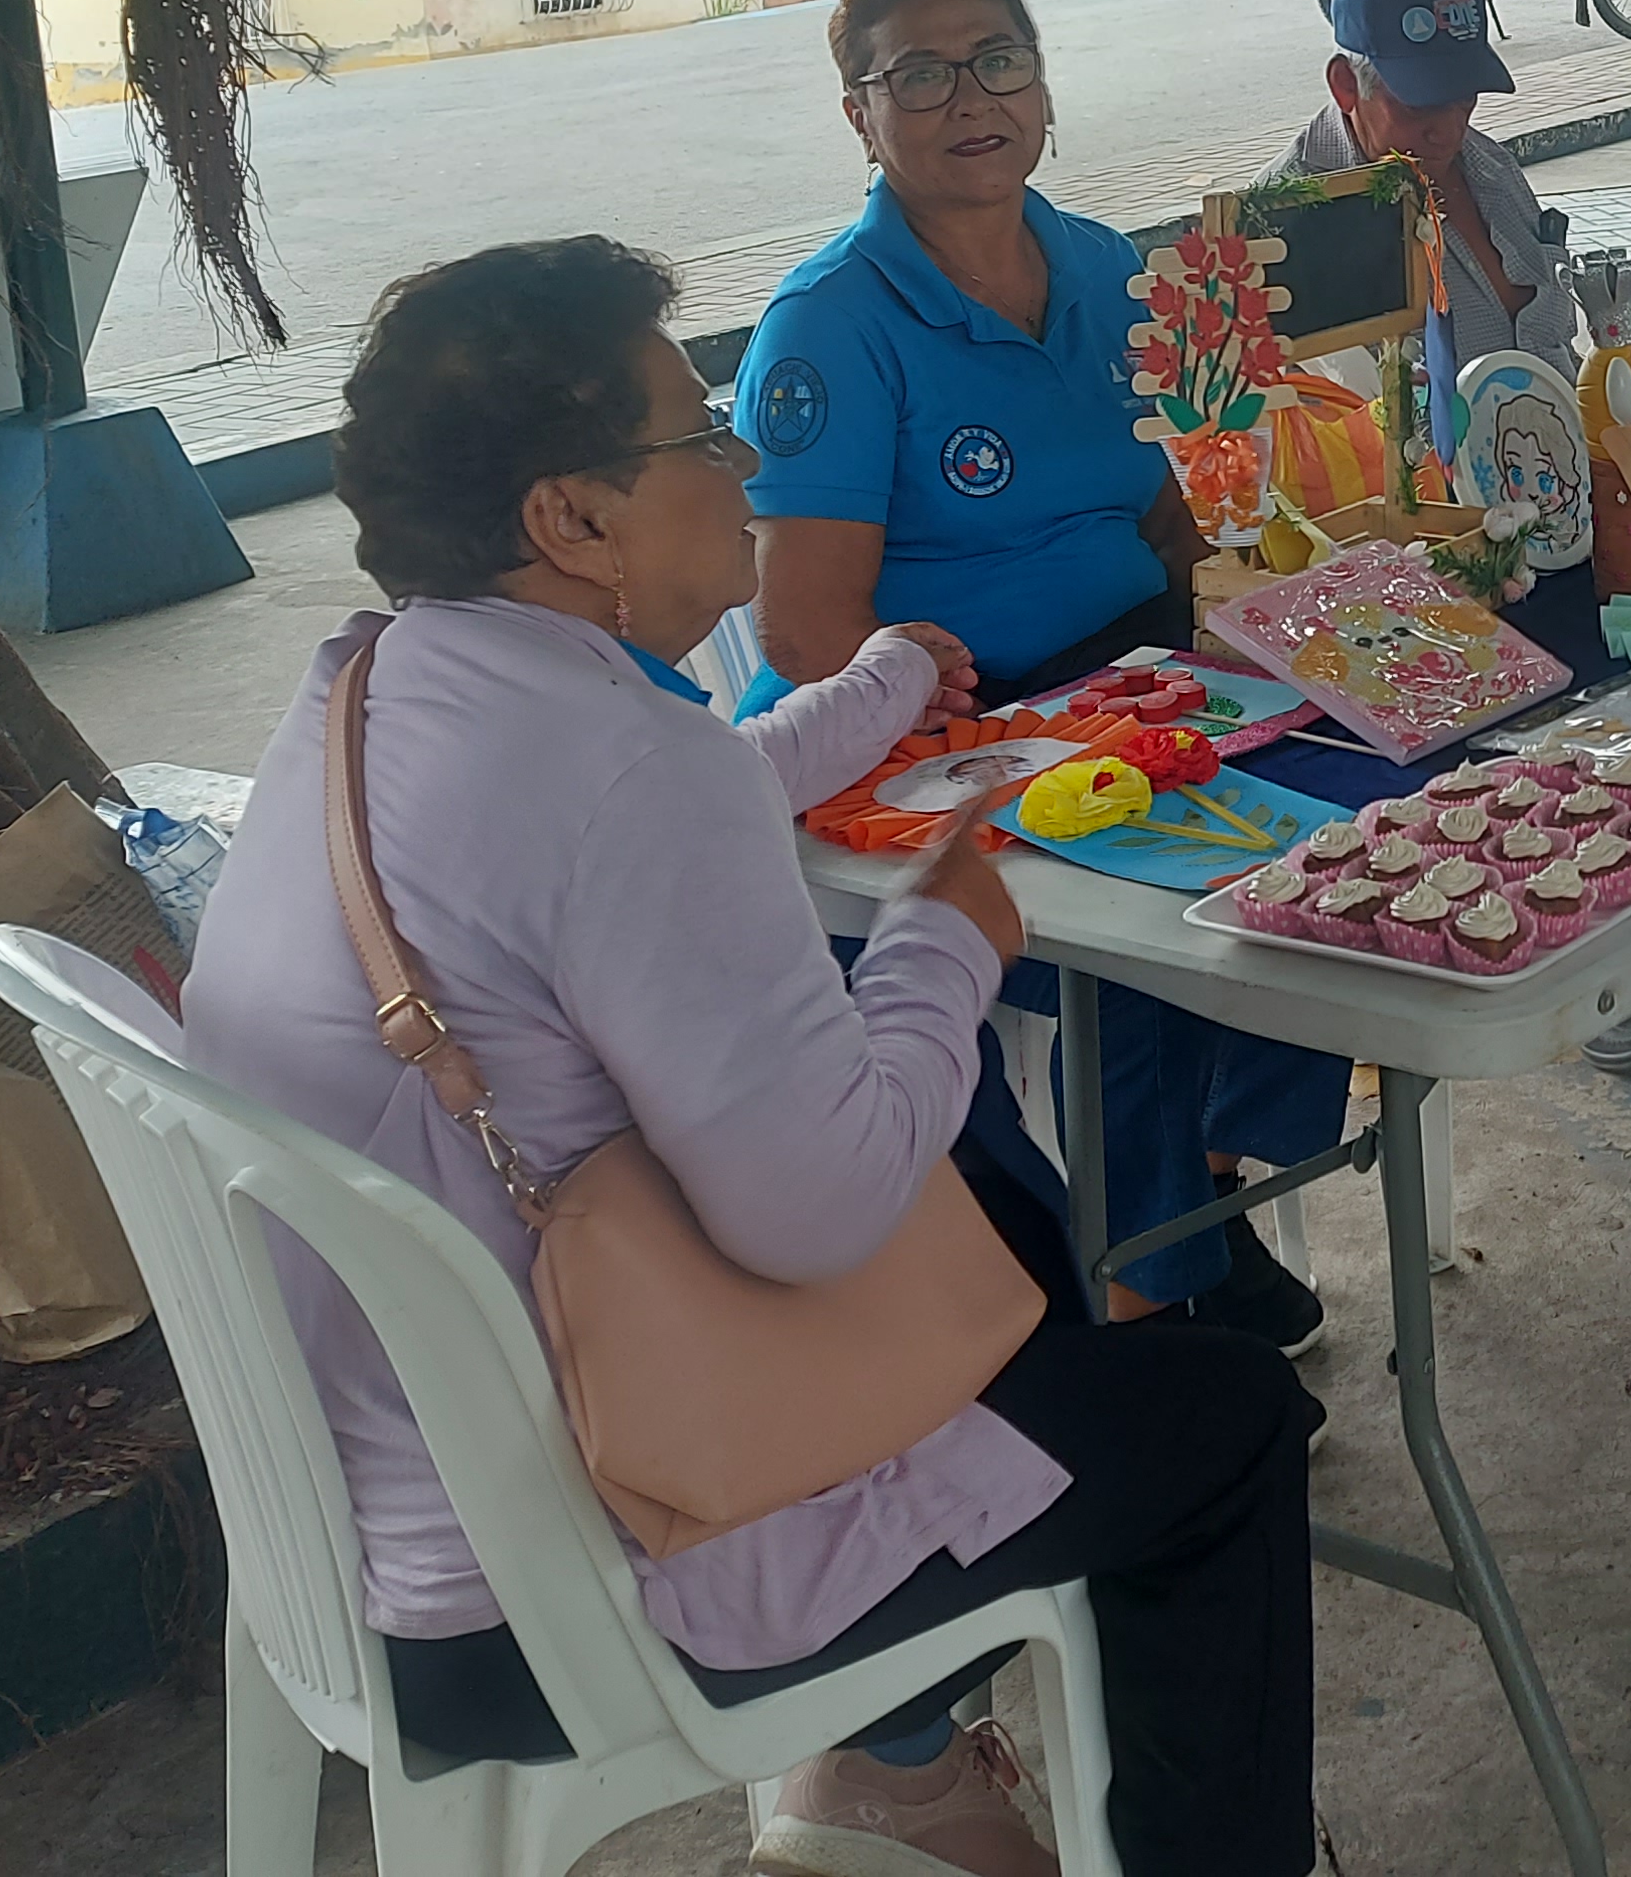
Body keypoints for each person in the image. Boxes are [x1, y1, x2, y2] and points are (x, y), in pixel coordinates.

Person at [186, 239, 1317, 1877]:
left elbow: (674, 792)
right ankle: (901, 1762)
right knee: (1217, 1416)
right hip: (573, 1572)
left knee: (1006, 1229)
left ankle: (903, 1770)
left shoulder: (373, 684)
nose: (745, 468)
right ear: (571, 519)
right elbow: (821, 1207)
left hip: (362, 1525)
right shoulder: (623, 772)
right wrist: (945, 934)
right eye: (699, 436)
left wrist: (877, 689)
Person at [739, 0, 1349, 1349]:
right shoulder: (832, 325)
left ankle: (1206, 1191)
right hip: (932, 738)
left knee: (1338, 824)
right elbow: (809, 630)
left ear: (1043, 83)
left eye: (999, 60)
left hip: (1120, 683)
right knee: (1134, 947)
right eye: (922, 75)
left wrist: (1257, 599)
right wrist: (1009, 719)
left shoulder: (1104, 269)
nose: (972, 98)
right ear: (861, 116)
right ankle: (1146, 1310)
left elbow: (1165, 514)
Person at [1280, 0, 1576, 376]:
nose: (1450, 133)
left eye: (1465, 100)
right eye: (1418, 107)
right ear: (1345, 86)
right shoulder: (1284, 220)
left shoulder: (1490, 166)